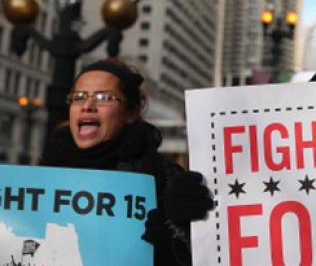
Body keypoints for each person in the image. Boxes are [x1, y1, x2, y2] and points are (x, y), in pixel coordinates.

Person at [40, 59, 213, 265]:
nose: (87, 106)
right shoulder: (47, 170)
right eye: (78, 97)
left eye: (104, 97)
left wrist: (177, 227)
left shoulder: (165, 178)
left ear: (132, 112)